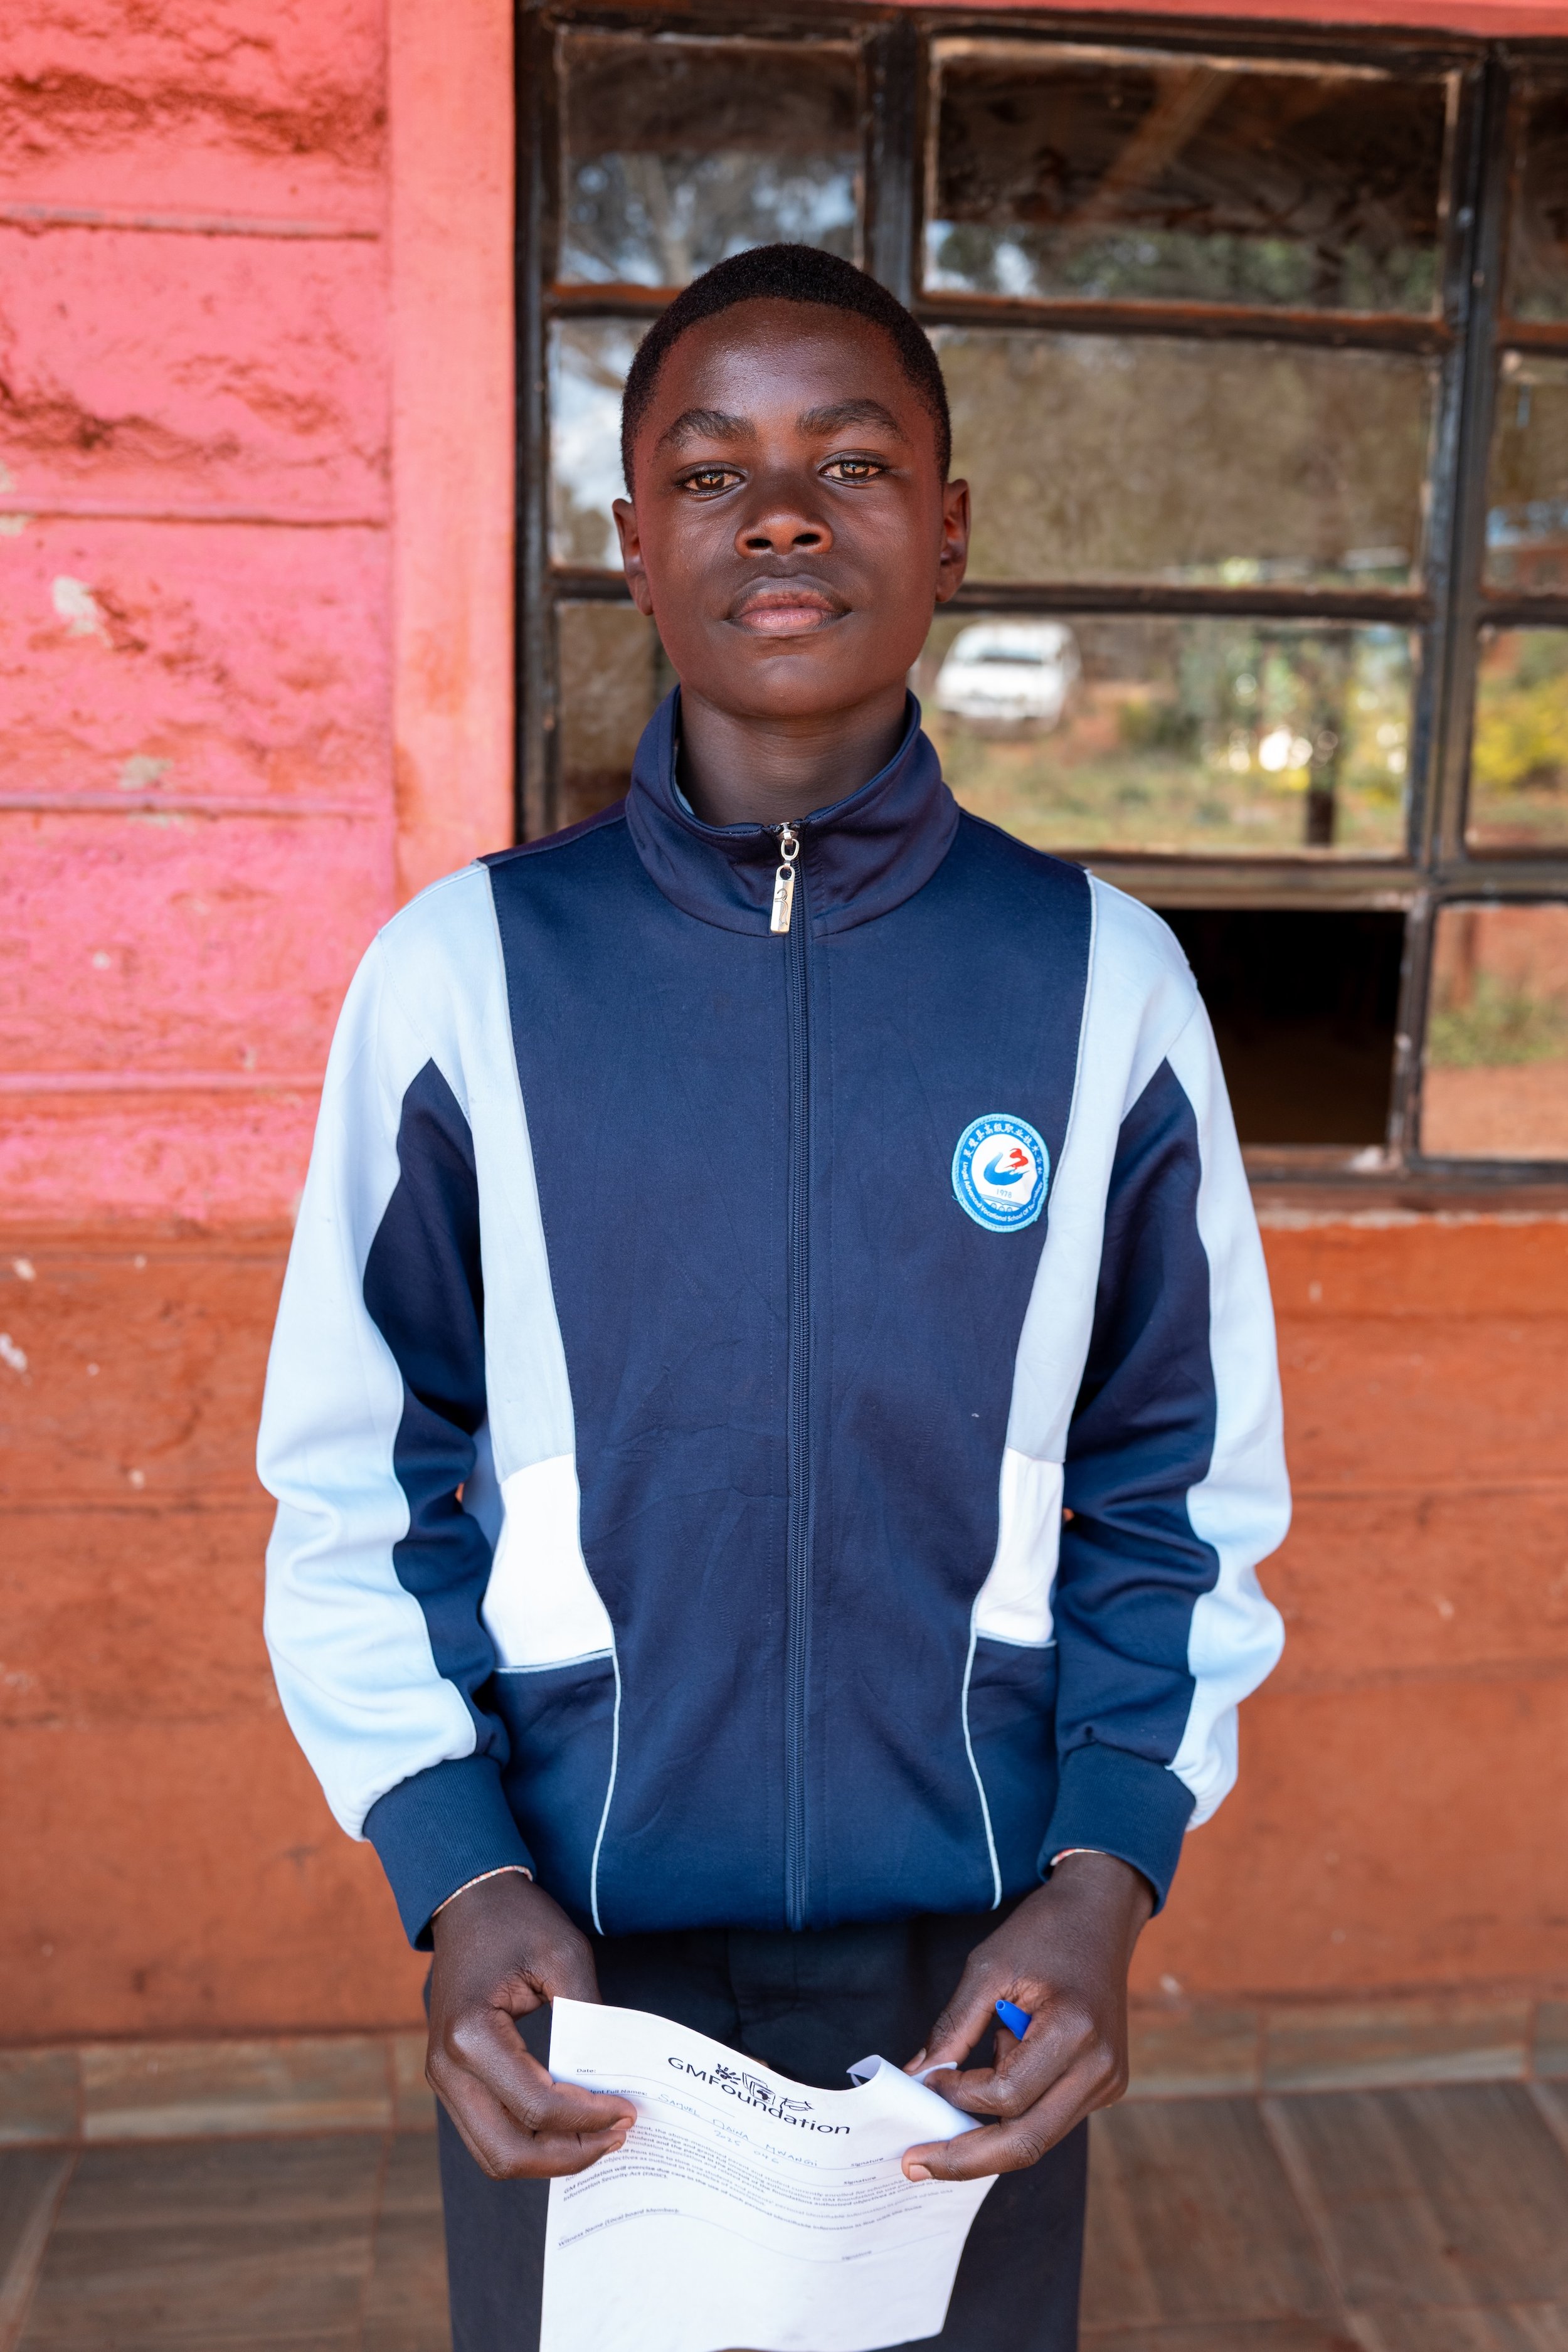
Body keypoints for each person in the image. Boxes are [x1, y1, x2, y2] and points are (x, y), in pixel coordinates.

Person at [258, 242, 1288, 2352]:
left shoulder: (1099, 989)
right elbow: (360, 1481)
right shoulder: (464, 980)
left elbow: (1174, 1489)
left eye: (853, 460)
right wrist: (458, 1878)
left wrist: (1098, 1881)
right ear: (630, 540)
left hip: (979, 1972)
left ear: (953, 525)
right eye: (713, 471)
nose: (787, 513)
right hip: (575, 1979)